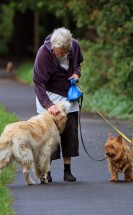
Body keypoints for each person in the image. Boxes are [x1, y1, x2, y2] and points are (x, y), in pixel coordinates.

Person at [33, 27, 83, 182]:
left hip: (69, 95)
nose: (62, 54)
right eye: (59, 52)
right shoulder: (43, 53)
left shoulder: (74, 45)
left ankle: (67, 170)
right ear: (53, 47)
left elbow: (78, 64)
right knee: (49, 136)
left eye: (65, 52)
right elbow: (38, 83)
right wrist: (48, 105)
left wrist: (76, 73)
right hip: (49, 95)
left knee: (70, 131)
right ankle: (47, 171)